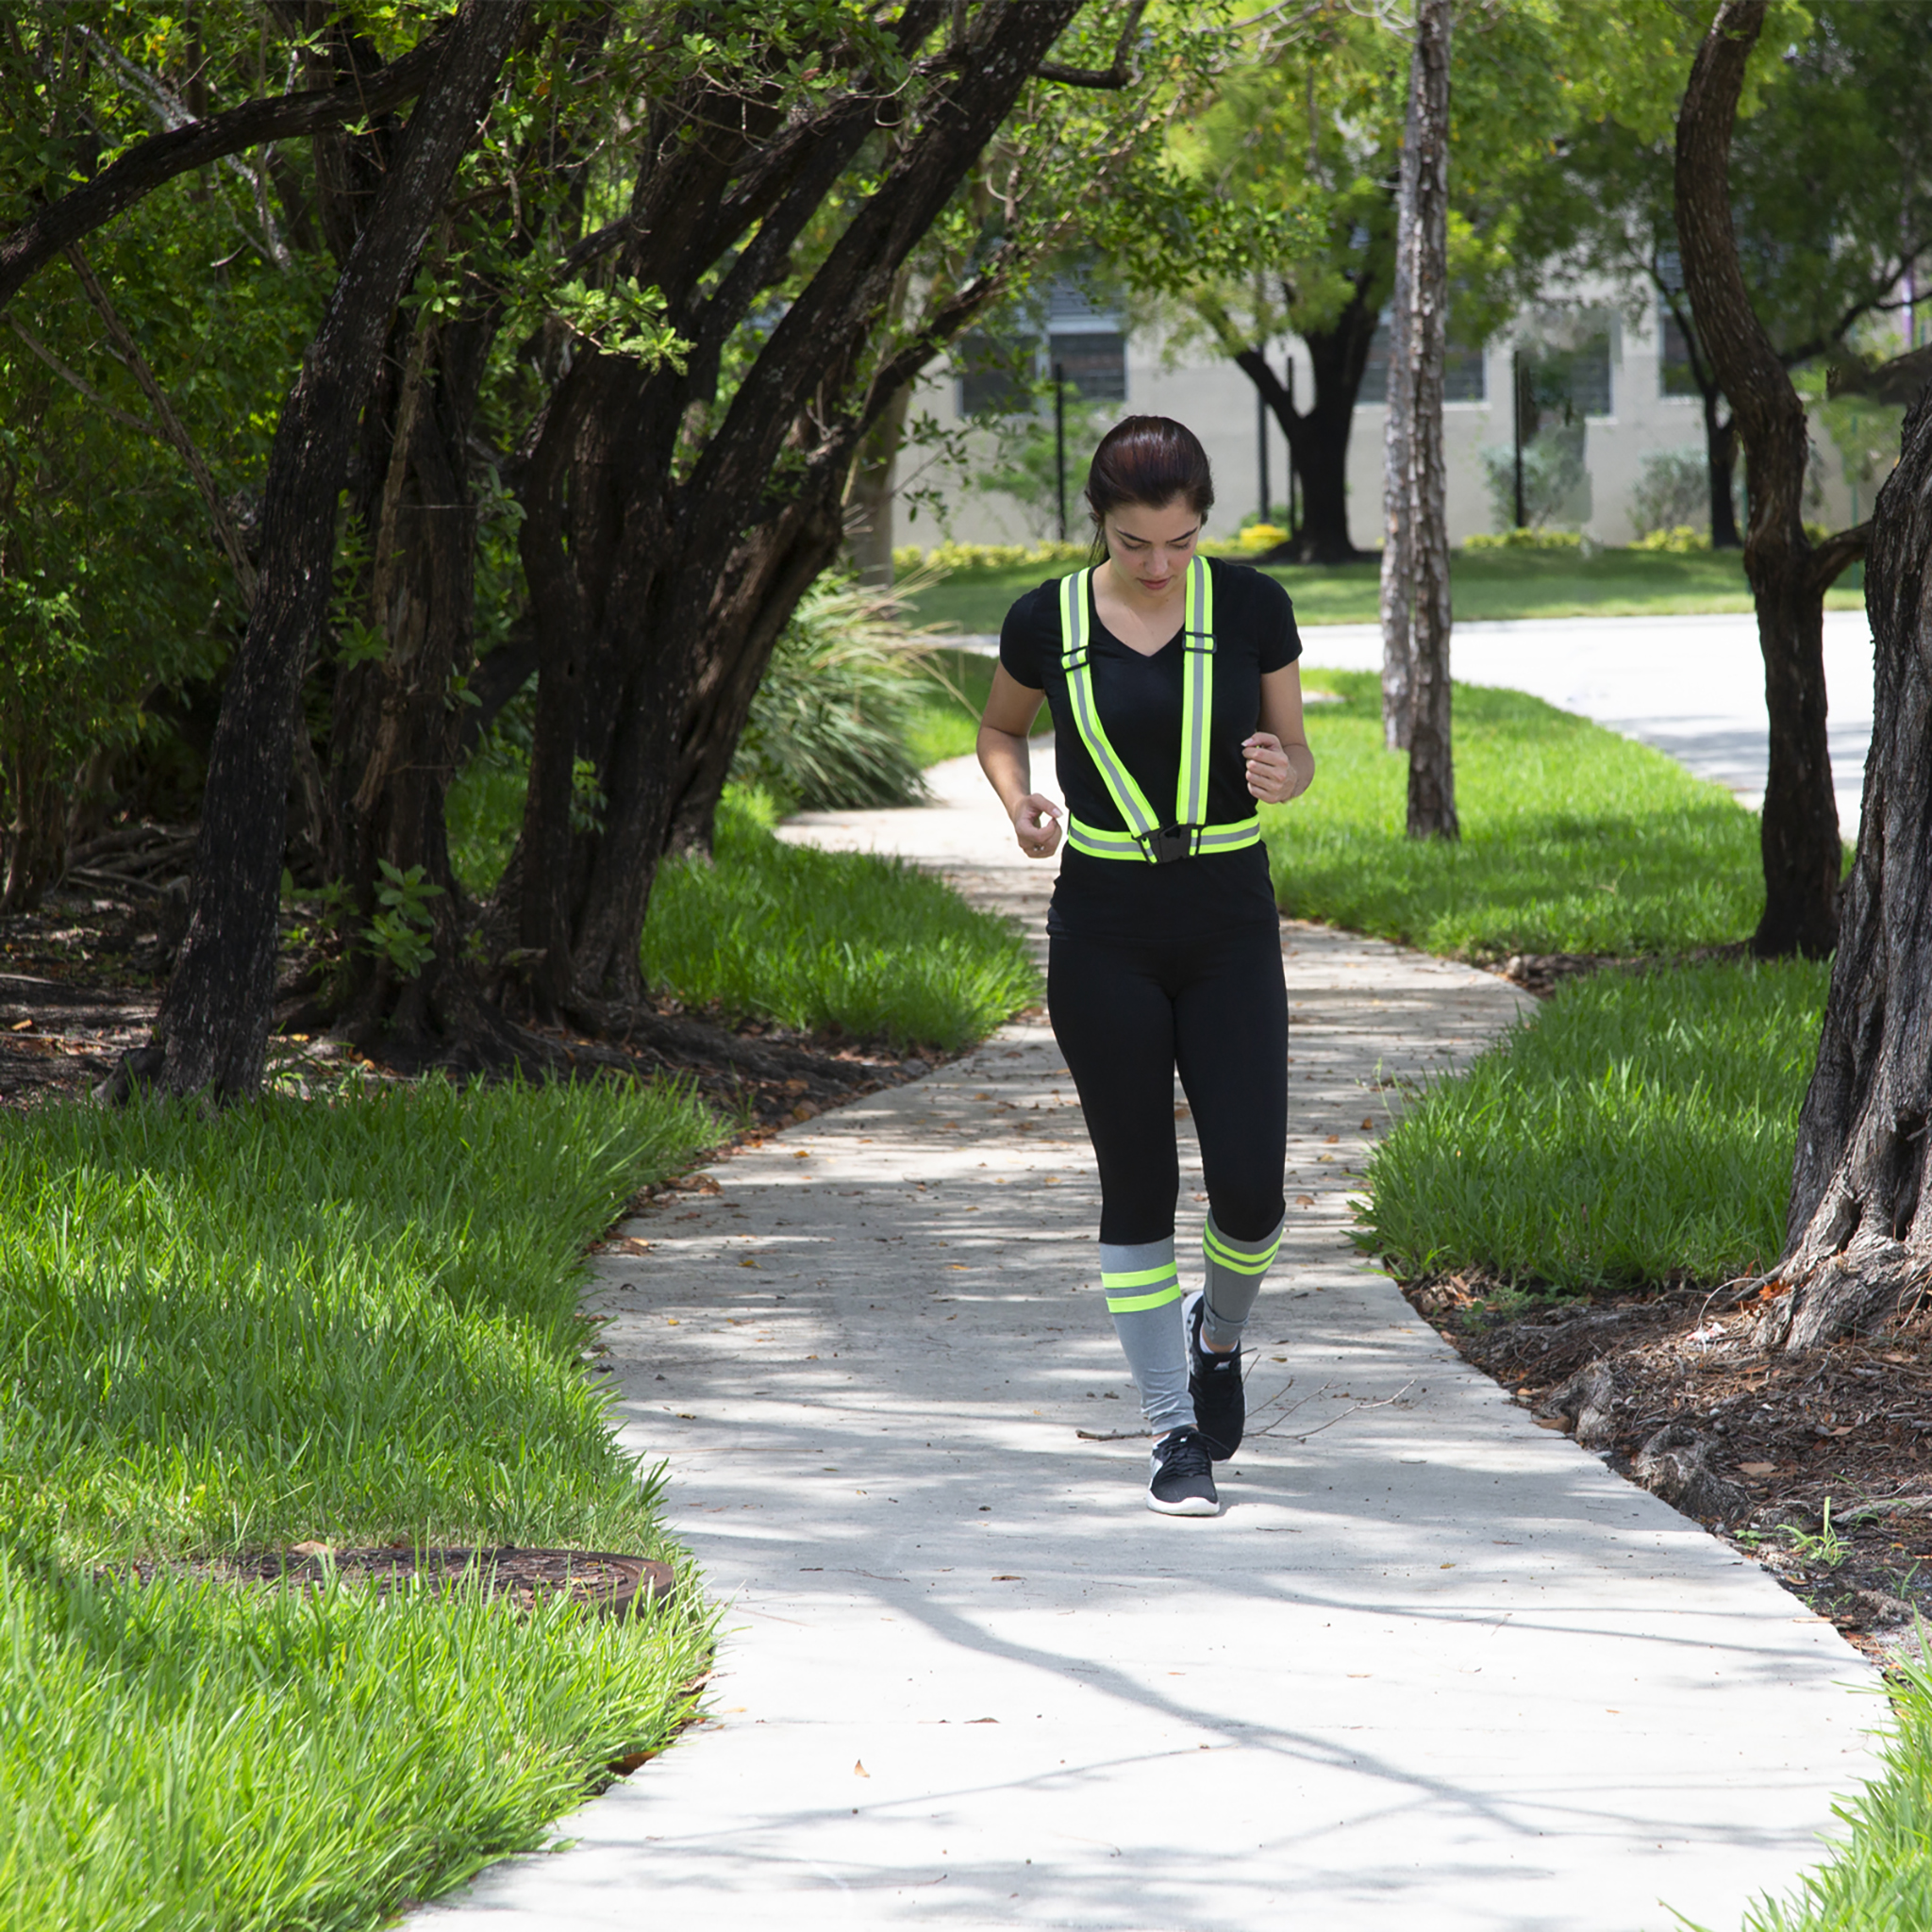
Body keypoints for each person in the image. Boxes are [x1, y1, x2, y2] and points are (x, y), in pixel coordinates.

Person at [975, 416, 1314, 1516]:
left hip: (1225, 918)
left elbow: (1295, 751)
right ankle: (1173, 1429)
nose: (1158, 566)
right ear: (1099, 526)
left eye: (1177, 541)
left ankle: (1214, 1339)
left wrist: (1282, 770)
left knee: (1253, 1193)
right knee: (1139, 1182)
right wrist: (1016, 798)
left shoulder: (1252, 607)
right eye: (1134, 544)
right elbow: (998, 730)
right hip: (1103, 926)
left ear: (1200, 522)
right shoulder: (1047, 620)